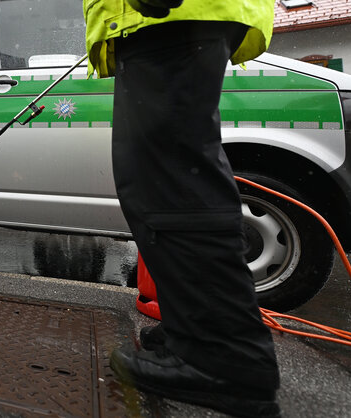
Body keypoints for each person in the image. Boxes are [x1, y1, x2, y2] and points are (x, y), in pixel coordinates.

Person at [82, 1, 281, 417]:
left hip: (170, 19)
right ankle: (195, 330)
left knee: (174, 183)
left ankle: (223, 360)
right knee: (163, 183)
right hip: (167, 21)